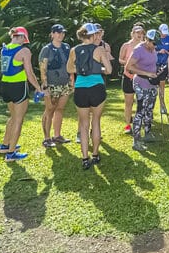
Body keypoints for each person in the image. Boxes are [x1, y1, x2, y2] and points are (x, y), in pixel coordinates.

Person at [68, 23, 113, 169]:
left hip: (80, 88)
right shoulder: (99, 49)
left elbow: (69, 68)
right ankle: (95, 154)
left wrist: (83, 69)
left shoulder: (74, 50)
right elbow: (109, 70)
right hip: (97, 87)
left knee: (83, 124)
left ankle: (84, 158)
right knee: (96, 122)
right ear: (93, 35)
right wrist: (96, 67)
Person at [0, 26, 44, 162]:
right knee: (19, 119)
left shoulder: (4, 49)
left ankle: (5, 145)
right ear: (23, 38)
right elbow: (29, 74)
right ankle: (11, 153)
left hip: (5, 85)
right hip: (18, 86)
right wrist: (38, 88)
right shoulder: (24, 51)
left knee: (12, 117)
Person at [125, 29, 161, 151]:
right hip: (141, 82)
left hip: (151, 83)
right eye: (153, 43)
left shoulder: (153, 48)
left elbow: (151, 63)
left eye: (156, 43)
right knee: (140, 110)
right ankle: (136, 140)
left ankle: (147, 133)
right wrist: (146, 73)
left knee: (149, 109)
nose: (155, 46)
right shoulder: (139, 49)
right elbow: (128, 67)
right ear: (147, 39)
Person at [39, 24, 73, 148]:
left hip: (64, 83)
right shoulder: (47, 49)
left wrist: (71, 79)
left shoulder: (66, 47)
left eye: (62, 33)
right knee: (49, 110)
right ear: (52, 34)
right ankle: (46, 138)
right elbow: (43, 67)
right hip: (51, 84)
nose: (60, 35)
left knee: (60, 109)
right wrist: (45, 85)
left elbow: (70, 64)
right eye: (58, 33)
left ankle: (57, 135)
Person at [119, 23, 146, 135]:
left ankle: (141, 122)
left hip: (141, 77)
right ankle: (128, 124)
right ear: (132, 33)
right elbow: (120, 59)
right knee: (128, 102)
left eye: (141, 33)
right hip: (128, 76)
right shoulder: (126, 45)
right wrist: (129, 64)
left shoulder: (145, 45)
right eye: (137, 32)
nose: (139, 34)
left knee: (142, 102)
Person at [155, 23, 169, 116]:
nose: (164, 34)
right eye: (163, 32)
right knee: (153, 87)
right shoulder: (156, 38)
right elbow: (150, 50)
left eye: (166, 32)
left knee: (162, 85)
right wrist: (158, 51)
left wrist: (167, 52)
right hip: (155, 65)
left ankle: (162, 105)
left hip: (165, 65)